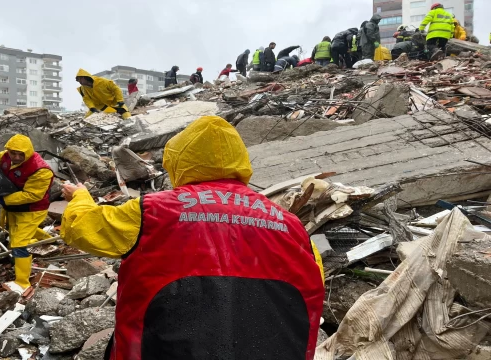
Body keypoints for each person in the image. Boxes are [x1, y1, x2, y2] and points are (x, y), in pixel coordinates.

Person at [60, 115, 325, 360]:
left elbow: (81, 229)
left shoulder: (152, 211)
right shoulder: (290, 225)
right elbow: (314, 281)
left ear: (180, 162)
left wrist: (81, 197)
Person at [0, 134, 54, 293]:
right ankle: (50, 241)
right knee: (18, 231)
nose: (16, 157)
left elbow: (33, 195)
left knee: (19, 242)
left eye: (20, 154)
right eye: (13, 153)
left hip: (32, 209)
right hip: (14, 207)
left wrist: (5, 198)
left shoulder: (40, 170)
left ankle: (22, 282)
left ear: (27, 152)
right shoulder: (5, 157)